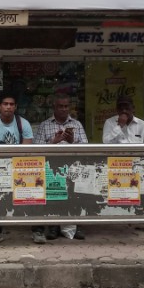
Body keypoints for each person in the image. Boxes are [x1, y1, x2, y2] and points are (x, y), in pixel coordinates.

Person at [0, 92, 33, 246]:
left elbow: (27, 151)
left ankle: (38, 229)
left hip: (19, 167)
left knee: (34, 190)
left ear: (15, 107)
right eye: (5, 104)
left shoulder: (24, 124)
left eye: (11, 104)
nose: (8, 107)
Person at [33, 93, 88, 242]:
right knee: (54, 195)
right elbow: (36, 149)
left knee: (76, 195)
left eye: (66, 106)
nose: (63, 109)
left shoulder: (76, 124)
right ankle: (54, 226)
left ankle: (77, 225)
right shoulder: (45, 125)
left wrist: (72, 142)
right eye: (60, 106)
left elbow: (86, 148)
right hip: (52, 167)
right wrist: (53, 142)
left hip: (73, 166)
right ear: (54, 107)